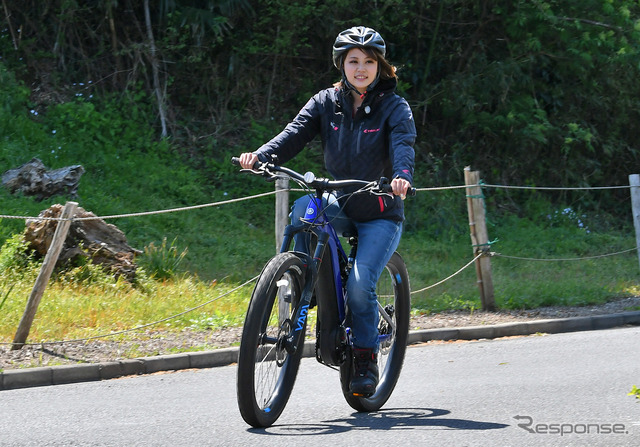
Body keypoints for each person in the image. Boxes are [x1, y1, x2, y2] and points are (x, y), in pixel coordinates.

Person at [237, 26, 416, 397]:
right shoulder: (325, 102)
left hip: (380, 211)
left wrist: (401, 177)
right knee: (306, 208)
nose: (361, 68)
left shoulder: (394, 107)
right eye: (354, 61)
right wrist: (262, 156)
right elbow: (294, 133)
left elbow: (403, 145)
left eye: (369, 62)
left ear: (381, 67)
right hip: (341, 201)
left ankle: (365, 357)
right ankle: (304, 279)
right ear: (342, 64)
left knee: (360, 285)